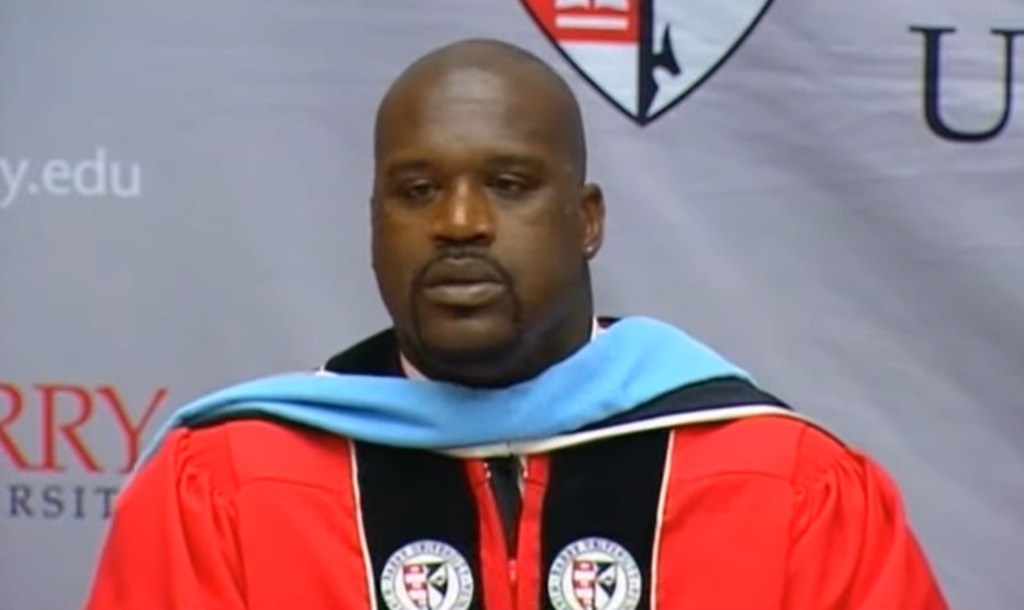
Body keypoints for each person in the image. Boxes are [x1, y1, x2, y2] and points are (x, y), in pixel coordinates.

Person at [84, 39, 948, 610]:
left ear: (587, 220)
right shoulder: (229, 489)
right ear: (373, 223)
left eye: (508, 183)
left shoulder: (785, 487)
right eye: (418, 191)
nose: (460, 222)